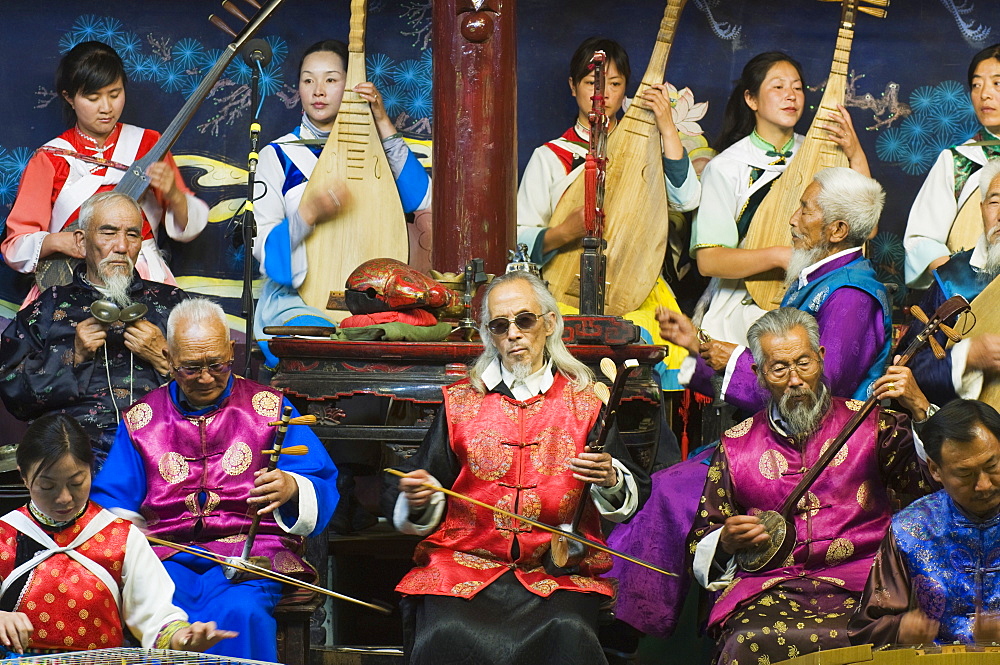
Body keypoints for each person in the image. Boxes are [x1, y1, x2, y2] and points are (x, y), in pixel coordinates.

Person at [383, 271, 650, 665]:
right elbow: (426, 480)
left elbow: (631, 488)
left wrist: (610, 478)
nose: (513, 334)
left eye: (524, 320)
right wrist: (419, 494)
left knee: (568, 631)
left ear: (550, 324)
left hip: (555, 571)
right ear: (488, 335)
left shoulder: (587, 402)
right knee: (446, 632)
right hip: (466, 564)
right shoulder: (460, 403)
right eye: (499, 325)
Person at [89, 298, 339, 662]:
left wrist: (291, 486)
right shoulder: (142, 420)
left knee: (241, 612)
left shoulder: (269, 408)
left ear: (232, 351)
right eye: (191, 368)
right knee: (165, 612)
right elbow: (113, 501)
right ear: (168, 356)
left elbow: (319, 479)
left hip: (251, 558)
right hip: (167, 559)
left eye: (217, 365)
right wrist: (128, 529)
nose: (206, 377)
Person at [688, 307, 933, 664]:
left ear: (820, 358)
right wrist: (724, 542)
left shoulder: (871, 424)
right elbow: (703, 535)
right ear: (758, 374)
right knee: (744, 640)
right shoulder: (736, 445)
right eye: (779, 368)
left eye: (804, 363)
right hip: (772, 587)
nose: (795, 380)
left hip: (868, 583)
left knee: (898, 631)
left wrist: (921, 409)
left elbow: (933, 480)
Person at [516, 36, 699, 391]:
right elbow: (520, 236)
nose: (604, 94)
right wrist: (564, 232)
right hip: (566, 291)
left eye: (615, 84)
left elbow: (687, 198)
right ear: (573, 87)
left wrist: (665, 124)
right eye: (592, 83)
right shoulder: (551, 155)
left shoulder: (646, 151)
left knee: (655, 347)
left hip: (638, 285)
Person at [253, 39, 431, 369]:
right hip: (296, 303)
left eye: (331, 80)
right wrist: (307, 215)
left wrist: (380, 120)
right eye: (308, 80)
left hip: (372, 303)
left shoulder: (374, 151)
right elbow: (264, 247)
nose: (318, 90)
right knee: (322, 348)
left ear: (349, 86)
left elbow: (422, 201)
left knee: (408, 339)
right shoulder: (277, 155)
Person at [0, 413, 236, 656]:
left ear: (91, 472)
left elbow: (155, 614)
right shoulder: (4, 535)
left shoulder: (120, 536)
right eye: (47, 486)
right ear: (24, 477)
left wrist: (181, 638)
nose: (64, 498)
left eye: (76, 482)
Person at [661, 167, 892, 413]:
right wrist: (697, 344)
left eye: (805, 210)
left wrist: (735, 360)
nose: (793, 219)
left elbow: (818, 392)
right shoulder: (821, 279)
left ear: (837, 230)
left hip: (829, 446)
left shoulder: (851, 296)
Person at [1, 41, 207, 305]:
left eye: (115, 93)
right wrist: (60, 241)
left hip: (141, 274)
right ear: (69, 97)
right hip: (71, 277)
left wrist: (175, 196)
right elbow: (16, 246)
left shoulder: (149, 145)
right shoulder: (50, 158)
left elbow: (188, 227)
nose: (106, 107)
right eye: (93, 97)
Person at [692, 51, 869, 346]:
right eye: (778, 87)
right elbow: (709, 261)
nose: (791, 96)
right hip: (743, 310)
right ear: (751, 99)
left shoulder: (822, 155)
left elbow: (866, 229)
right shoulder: (728, 166)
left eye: (798, 87)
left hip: (816, 305)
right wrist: (779, 256)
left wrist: (855, 153)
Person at [0, 192, 186, 469]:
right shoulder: (50, 306)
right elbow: (15, 394)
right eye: (108, 233)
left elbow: (218, 385)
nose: (122, 246)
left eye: (133, 235)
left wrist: (164, 358)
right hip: (75, 452)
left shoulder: (173, 303)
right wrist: (73, 355)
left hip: (164, 444)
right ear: (81, 241)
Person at [849, 399, 1000, 648]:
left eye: (992, 466)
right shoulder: (910, 529)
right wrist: (900, 629)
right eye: (965, 474)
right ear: (935, 470)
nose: (983, 484)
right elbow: (866, 628)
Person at [898, 159, 1000, 407]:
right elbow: (906, 368)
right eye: (995, 202)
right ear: (981, 209)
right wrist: (966, 358)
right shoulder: (952, 279)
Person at [903, 43, 1000, 288]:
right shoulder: (959, 160)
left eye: (997, 83)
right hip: (974, 298)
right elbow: (921, 240)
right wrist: (961, 283)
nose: (984, 94)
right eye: (976, 85)